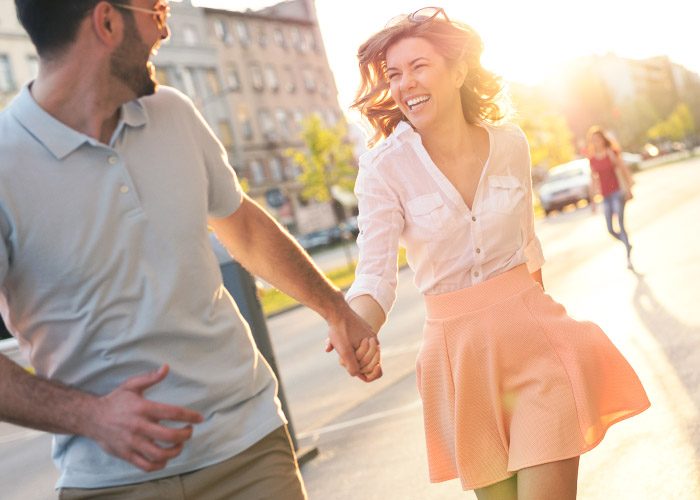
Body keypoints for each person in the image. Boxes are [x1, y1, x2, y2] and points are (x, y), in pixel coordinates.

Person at [0, 1, 380, 498]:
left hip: (251, 449)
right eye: (155, 9)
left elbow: (241, 224)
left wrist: (335, 307)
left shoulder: (174, 113)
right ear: (107, 22)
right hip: (111, 480)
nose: (165, 26)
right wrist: (90, 416)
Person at [343, 7, 650, 499]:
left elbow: (529, 250)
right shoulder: (383, 168)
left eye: (419, 66)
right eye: (393, 75)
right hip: (459, 362)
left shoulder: (510, 143)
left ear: (457, 70)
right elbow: (375, 276)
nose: (405, 85)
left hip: (534, 344)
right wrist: (356, 328)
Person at [587, 126, 635, 268]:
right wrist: (593, 201)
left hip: (617, 194)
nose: (596, 142)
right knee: (610, 229)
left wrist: (629, 188)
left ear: (603, 139)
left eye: (598, 139)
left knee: (620, 224)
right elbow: (593, 180)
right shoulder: (592, 160)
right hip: (605, 196)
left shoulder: (611, 153)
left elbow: (623, 169)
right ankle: (627, 243)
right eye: (593, 140)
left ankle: (628, 257)